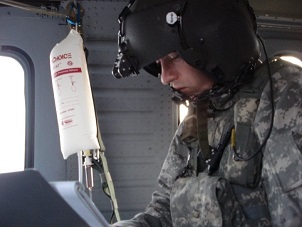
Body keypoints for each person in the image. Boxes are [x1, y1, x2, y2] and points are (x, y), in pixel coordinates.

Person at [111, 0, 302, 226]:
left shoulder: (282, 96)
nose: (165, 77)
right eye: (158, 64)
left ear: (218, 42)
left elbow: (292, 215)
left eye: (174, 57)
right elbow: (164, 209)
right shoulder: (198, 117)